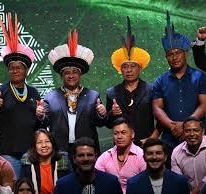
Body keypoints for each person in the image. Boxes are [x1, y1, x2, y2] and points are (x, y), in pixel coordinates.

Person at [0, 13, 42, 179]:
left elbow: (41, 122)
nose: (15, 70)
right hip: (8, 152)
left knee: (31, 187)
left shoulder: (33, 92)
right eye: (12, 68)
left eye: (20, 68)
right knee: (13, 188)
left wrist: (41, 115)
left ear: (26, 71)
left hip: (31, 151)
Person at [37, 30, 107, 157]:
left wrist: (101, 113)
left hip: (86, 150)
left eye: (74, 72)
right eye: (67, 72)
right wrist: (41, 115)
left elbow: (100, 123)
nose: (71, 75)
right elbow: (44, 123)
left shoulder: (93, 96)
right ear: (62, 76)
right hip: (60, 149)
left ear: (80, 74)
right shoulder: (50, 96)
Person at [152, 11, 206, 153]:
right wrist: (172, 126)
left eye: (178, 52)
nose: (174, 57)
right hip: (170, 140)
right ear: (166, 57)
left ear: (185, 54)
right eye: (170, 54)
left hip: (198, 138)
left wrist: (187, 125)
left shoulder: (200, 76)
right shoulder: (160, 80)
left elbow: (204, 103)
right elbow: (157, 108)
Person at [107, 16, 158, 146]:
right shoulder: (111, 93)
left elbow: (161, 118)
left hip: (146, 144)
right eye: (125, 66)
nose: (129, 70)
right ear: (120, 69)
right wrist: (112, 113)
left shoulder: (152, 89)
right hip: (121, 146)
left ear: (140, 68)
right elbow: (107, 124)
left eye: (133, 66)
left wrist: (152, 139)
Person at [54, 137, 123, 194]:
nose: (86, 159)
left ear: (96, 157)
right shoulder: (63, 185)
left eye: (89, 155)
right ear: (74, 159)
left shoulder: (111, 182)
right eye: (81, 155)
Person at [95, 117, 146, 194]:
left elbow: (146, 185)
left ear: (132, 134)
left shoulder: (142, 156)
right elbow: (97, 181)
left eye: (123, 132)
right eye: (116, 133)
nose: (119, 137)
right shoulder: (105, 157)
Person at [21, 129, 63, 193]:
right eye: (39, 142)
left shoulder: (63, 162)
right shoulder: (27, 164)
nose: (44, 145)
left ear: (53, 144)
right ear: (34, 146)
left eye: (47, 141)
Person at [171, 117, 206, 194]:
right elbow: (178, 180)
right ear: (183, 133)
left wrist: (195, 192)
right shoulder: (176, 152)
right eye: (187, 131)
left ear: (203, 132)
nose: (192, 134)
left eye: (196, 130)